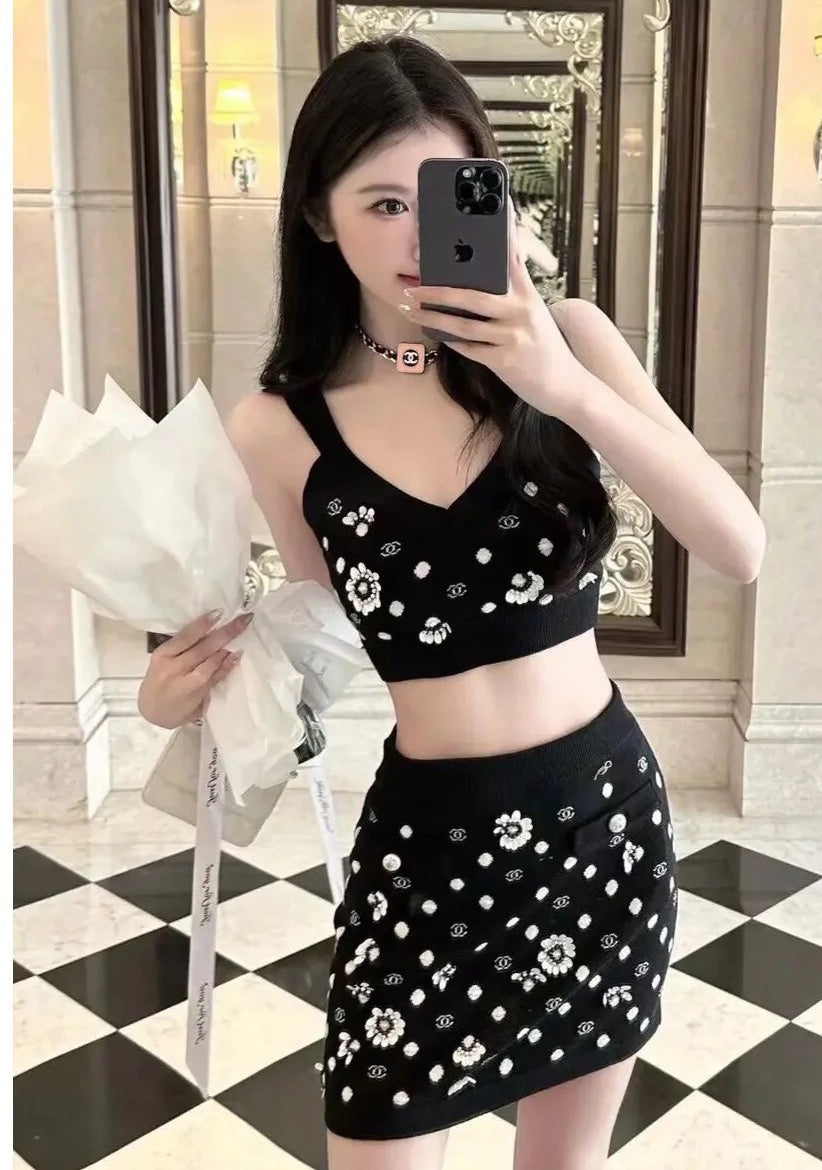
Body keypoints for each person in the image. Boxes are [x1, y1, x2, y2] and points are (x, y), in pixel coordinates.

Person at [138, 34, 766, 1170]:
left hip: (602, 823)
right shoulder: (279, 427)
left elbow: (739, 546)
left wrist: (561, 385)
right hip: (429, 848)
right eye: (384, 203)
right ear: (319, 217)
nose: (420, 235)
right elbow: (315, 636)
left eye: (445, 192)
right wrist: (172, 694)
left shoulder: (574, 343)